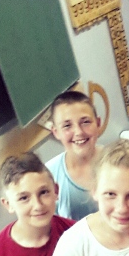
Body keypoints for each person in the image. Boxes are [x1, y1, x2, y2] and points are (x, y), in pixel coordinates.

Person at [47, 90, 102, 220]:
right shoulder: (48, 175)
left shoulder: (119, 162)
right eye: (67, 126)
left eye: (85, 122)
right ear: (56, 132)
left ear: (98, 123)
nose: (78, 132)